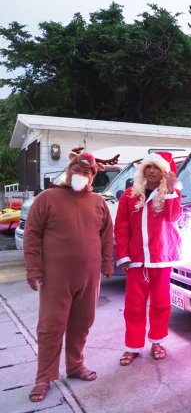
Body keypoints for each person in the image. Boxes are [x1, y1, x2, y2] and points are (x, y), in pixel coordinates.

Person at [24, 151, 114, 402]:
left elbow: (107, 235)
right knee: (51, 326)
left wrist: (107, 263)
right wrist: (33, 268)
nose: (82, 174)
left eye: (87, 172)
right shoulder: (47, 198)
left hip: (89, 277)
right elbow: (32, 235)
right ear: (69, 170)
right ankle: (44, 377)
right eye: (78, 170)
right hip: (56, 277)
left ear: (92, 176)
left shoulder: (98, 201)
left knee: (82, 323)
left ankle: (75, 366)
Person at [114, 152, 182, 366]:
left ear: (164, 172)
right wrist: (122, 255)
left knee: (161, 303)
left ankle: (157, 341)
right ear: (143, 170)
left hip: (161, 256)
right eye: (148, 167)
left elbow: (173, 217)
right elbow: (121, 226)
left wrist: (170, 190)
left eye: (156, 168)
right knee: (133, 305)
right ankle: (132, 346)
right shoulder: (130, 194)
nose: (151, 171)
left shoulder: (171, 193)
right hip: (137, 258)